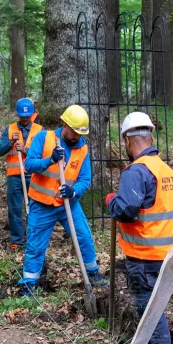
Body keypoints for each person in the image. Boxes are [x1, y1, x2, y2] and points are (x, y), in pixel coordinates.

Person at [106, 111, 173, 344]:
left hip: (145, 258)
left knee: (150, 312)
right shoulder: (167, 171)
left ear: (128, 141)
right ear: (150, 136)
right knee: (155, 309)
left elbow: (126, 211)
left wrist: (111, 200)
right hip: (169, 255)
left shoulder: (137, 172)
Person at [17, 105, 107, 296]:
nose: (76, 137)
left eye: (80, 134)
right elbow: (29, 164)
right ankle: (29, 285)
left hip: (69, 205)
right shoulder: (44, 137)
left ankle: (92, 273)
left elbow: (85, 179)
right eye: (74, 132)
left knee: (84, 237)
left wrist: (73, 192)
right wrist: (49, 160)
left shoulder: (82, 148)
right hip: (42, 205)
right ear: (64, 125)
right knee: (35, 244)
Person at [0, 98, 44, 250]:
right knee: (15, 209)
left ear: (32, 114)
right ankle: (17, 240)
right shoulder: (9, 129)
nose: (25, 118)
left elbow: (44, 153)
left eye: (27, 116)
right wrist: (10, 142)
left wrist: (25, 150)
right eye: (22, 116)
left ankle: (33, 239)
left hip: (33, 176)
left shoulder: (40, 130)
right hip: (14, 176)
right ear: (17, 114)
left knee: (34, 208)